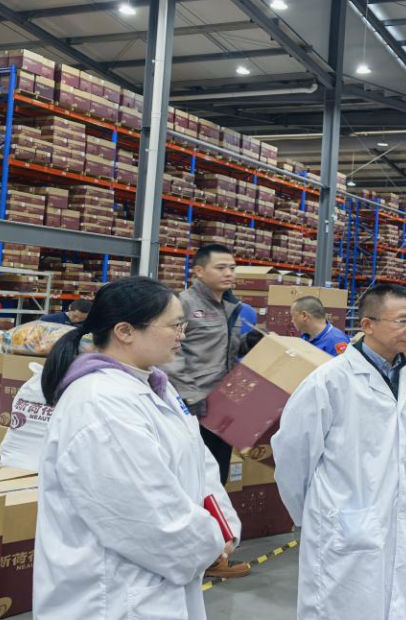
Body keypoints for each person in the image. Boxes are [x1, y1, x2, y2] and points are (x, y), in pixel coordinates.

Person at [33, 277, 240, 620]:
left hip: (159, 579)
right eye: (174, 325)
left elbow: (199, 465)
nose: (182, 335)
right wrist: (208, 544)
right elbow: (145, 514)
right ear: (125, 331)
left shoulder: (157, 387)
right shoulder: (99, 403)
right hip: (114, 594)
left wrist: (223, 531)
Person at [272, 285, 406, 620]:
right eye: (401, 321)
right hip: (340, 523)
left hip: (392, 518)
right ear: (367, 325)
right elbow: (293, 455)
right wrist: (316, 514)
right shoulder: (329, 380)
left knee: (389, 603)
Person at [162, 244, 253, 579]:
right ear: (198, 271)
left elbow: (224, 351)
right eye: (221, 267)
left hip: (221, 405)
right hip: (192, 405)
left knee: (217, 475)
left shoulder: (231, 306)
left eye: (232, 267)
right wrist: (187, 396)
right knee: (193, 479)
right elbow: (172, 354)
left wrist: (249, 345)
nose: (229, 273)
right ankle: (201, 555)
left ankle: (214, 548)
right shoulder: (183, 304)